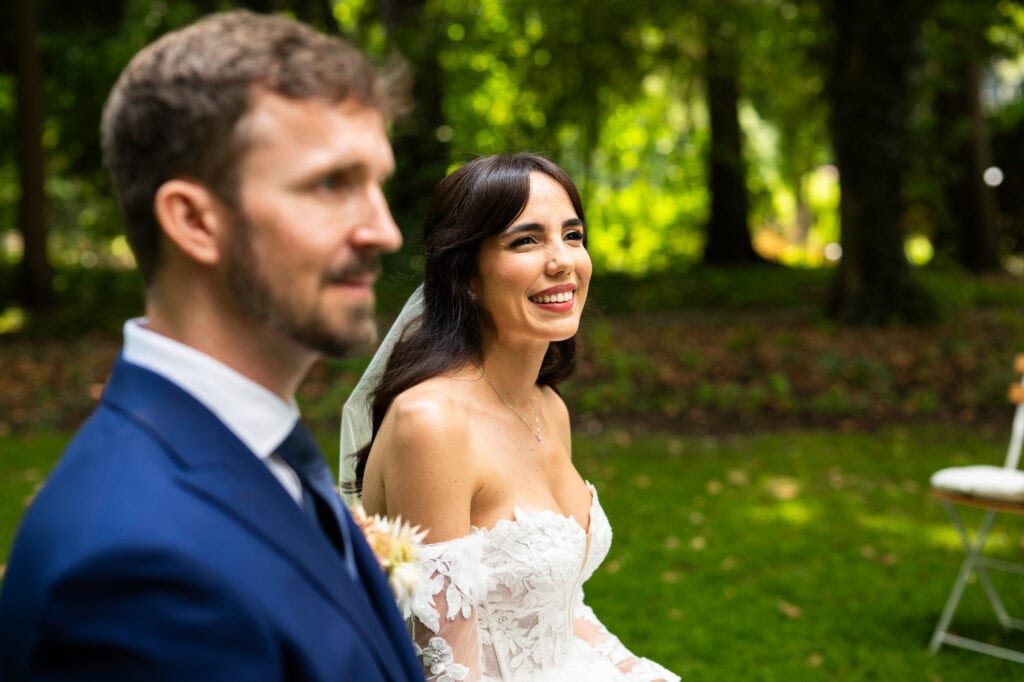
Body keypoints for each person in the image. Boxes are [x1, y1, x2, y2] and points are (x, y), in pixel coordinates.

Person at [0, 11, 424, 681]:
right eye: (331, 184)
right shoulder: (132, 569)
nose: (385, 231)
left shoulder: (256, 449)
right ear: (196, 221)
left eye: (378, 183)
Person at [340, 153, 680, 681]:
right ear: (466, 276)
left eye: (572, 235)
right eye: (526, 241)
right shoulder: (430, 424)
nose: (562, 260)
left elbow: (555, 606)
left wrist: (633, 669)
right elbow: (445, 667)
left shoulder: (548, 407)